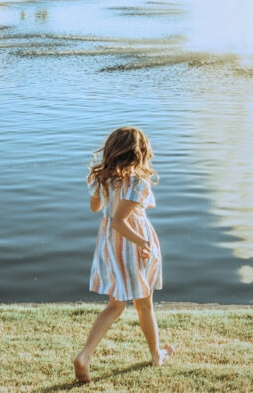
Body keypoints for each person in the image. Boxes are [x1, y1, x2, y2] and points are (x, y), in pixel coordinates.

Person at [73, 126, 175, 383]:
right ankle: (156, 355)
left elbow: (97, 208)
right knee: (144, 303)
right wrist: (143, 241)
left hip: (108, 243)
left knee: (115, 305)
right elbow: (121, 220)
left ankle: (84, 356)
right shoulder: (138, 181)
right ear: (139, 154)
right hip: (132, 244)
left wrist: (101, 188)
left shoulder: (102, 178)